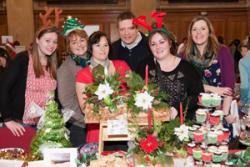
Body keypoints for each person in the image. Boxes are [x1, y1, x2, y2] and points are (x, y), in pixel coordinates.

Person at [134, 11, 204, 119]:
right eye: (153, 44)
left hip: (182, 126)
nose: (158, 47)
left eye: (162, 42)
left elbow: (198, 95)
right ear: (149, 47)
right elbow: (134, 93)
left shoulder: (186, 68)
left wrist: (177, 107)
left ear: (170, 43)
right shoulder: (144, 66)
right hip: (151, 124)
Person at [0, 26, 59, 136]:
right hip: (21, 125)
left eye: (54, 42)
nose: (51, 45)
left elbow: (54, 95)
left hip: (44, 125)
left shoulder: (53, 63)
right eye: (47, 40)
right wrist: (7, 119)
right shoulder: (23, 59)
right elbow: (3, 88)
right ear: (37, 40)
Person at [76, 31, 130, 144]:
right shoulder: (83, 74)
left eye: (105, 45)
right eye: (98, 45)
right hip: (98, 130)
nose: (102, 49)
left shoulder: (122, 65)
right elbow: (84, 108)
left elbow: (134, 92)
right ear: (91, 48)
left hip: (123, 129)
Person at [183, 15, 235, 123]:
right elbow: (186, 85)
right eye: (194, 29)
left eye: (203, 28)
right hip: (193, 112)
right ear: (190, 33)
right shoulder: (185, 54)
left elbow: (229, 86)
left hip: (218, 111)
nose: (198, 33)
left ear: (209, 31)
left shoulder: (222, 51)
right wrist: (213, 89)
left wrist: (225, 112)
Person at [57, 16, 89, 147]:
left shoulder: (95, 61)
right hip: (79, 126)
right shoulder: (65, 68)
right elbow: (67, 101)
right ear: (69, 46)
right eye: (74, 42)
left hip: (100, 123)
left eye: (82, 40)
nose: (79, 45)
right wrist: (87, 119)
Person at [238, 37, 250, 113]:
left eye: (240, 52)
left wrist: (242, 100)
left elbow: (244, 85)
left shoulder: (243, 61)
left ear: (244, 49)